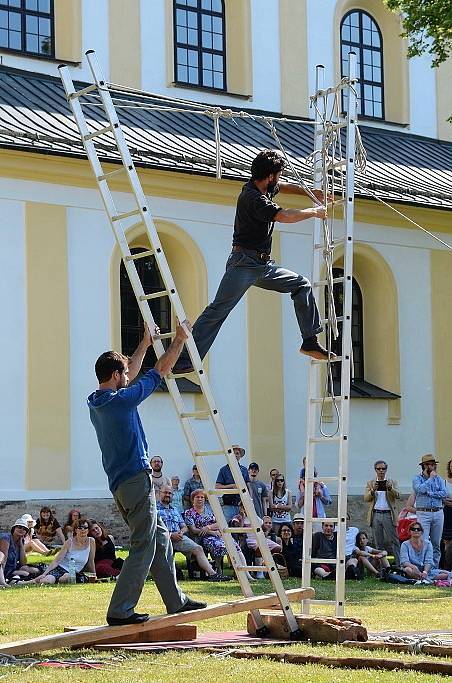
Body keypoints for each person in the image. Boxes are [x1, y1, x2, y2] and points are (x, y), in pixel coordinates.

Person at [88, 322, 206, 626]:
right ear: (115, 377)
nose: (129, 377)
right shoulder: (123, 401)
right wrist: (178, 340)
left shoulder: (98, 401)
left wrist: (144, 342)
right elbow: (160, 370)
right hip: (135, 480)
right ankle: (121, 609)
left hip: (119, 484)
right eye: (124, 374)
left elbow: (132, 371)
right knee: (144, 543)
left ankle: (175, 601)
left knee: (161, 537)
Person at [172, 149, 330, 375]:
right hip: (243, 264)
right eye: (277, 174)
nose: (278, 179)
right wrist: (314, 211)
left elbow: (283, 186)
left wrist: (311, 192)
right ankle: (185, 358)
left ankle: (310, 341)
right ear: (269, 176)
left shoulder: (263, 186)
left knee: (301, 284)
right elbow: (284, 216)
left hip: (263, 266)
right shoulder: (252, 198)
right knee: (217, 309)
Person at [158, 486, 230, 582]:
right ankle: (172, 573)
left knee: (198, 549)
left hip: (179, 537)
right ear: (159, 493)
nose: (167, 495)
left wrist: (181, 532)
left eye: (170, 493)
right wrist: (170, 535)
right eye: (165, 492)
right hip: (162, 538)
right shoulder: (155, 509)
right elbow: (154, 527)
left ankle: (213, 574)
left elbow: (184, 526)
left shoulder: (175, 510)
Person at [184, 489, 254, 580]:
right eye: (197, 497)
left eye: (202, 497)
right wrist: (210, 532)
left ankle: (246, 574)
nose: (200, 499)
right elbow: (193, 530)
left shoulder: (210, 510)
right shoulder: (189, 513)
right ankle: (219, 571)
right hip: (203, 537)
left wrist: (208, 527)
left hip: (218, 534)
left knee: (235, 546)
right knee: (218, 546)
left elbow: (220, 522)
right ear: (192, 499)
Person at [29, 518, 96, 585]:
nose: (83, 530)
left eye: (85, 528)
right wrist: (44, 574)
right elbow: (57, 560)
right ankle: (31, 581)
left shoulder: (91, 541)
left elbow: (91, 561)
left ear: (88, 530)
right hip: (60, 568)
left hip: (73, 572)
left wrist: (94, 575)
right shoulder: (69, 542)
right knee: (46, 581)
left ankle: (58, 580)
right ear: (76, 530)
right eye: (80, 528)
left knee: (64, 578)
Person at [413, 454, 448, 569]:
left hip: (438, 512)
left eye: (434, 464)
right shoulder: (417, 479)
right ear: (424, 466)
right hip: (424, 513)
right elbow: (420, 489)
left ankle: (434, 569)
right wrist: (431, 479)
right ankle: (424, 568)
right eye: (430, 465)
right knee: (423, 542)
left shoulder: (440, 479)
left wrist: (431, 493)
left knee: (436, 543)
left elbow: (444, 493)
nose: (432, 467)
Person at [364, 460, 401, 566]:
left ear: (386, 469)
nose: (381, 471)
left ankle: (399, 566)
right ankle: (382, 568)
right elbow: (366, 498)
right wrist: (372, 491)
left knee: (394, 541)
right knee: (378, 543)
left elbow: (398, 495)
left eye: (383, 469)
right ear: (375, 470)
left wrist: (390, 489)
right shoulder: (371, 483)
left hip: (388, 514)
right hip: (375, 514)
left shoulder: (392, 482)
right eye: (378, 469)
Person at [0, 518, 41, 585]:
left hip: (13, 569)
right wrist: (2, 578)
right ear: (14, 528)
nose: (22, 530)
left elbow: (23, 562)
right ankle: (29, 582)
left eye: (24, 529)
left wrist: (21, 546)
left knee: (34, 571)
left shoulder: (21, 541)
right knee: (25, 574)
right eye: (19, 527)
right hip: (4, 570)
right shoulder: (6, 538)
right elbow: (3, 559)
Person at [216, 444, 249, 522]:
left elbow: (248, 486)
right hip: (228, 504)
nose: (235, 455)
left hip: (241, 505)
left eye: (237, 453)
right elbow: (217, 486)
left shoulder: (244, 470)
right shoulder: (223, 470)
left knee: (242, 529)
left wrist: (248, 500)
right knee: (227, 526)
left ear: (240, 456)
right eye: (232, 453)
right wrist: (232, 486)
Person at [441, 459, 452, 569]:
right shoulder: (444, 482)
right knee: (447, 540)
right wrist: (445, 501)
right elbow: (442, 497)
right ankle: (446, 566)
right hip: (447, 512)